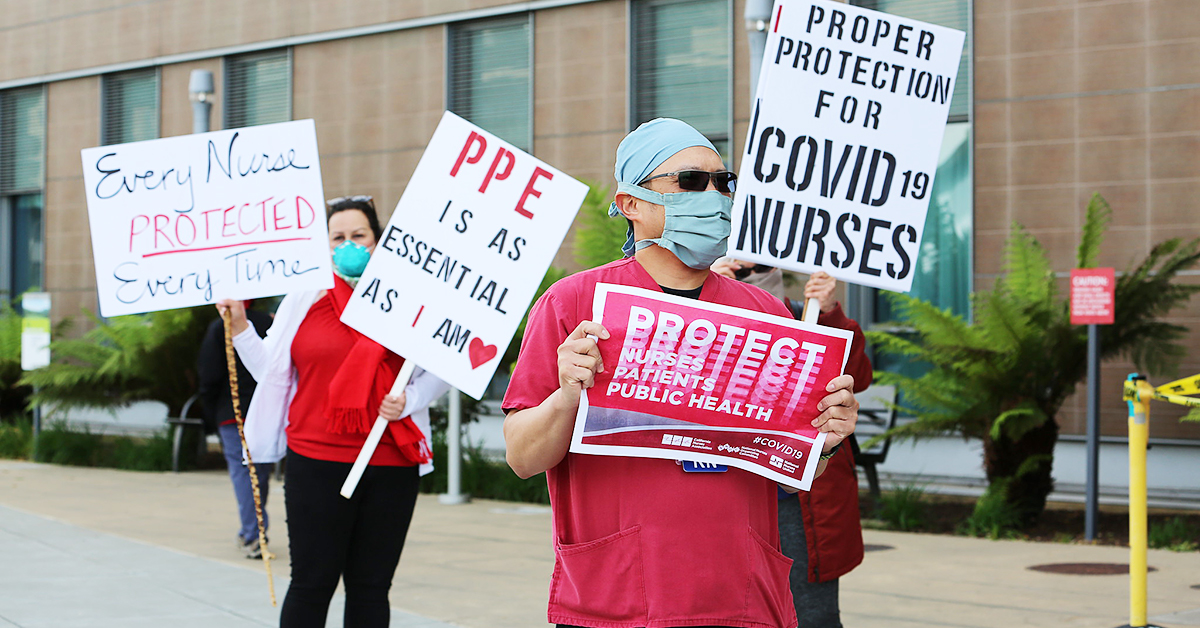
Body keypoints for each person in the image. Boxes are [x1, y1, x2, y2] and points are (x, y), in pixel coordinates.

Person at [502, 118, 860, 628]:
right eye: (691, 181)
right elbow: (521, 457)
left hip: (743, 596)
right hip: (618, 598)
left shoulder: (767, 314)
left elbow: (794, 473)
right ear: (631, 205)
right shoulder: (575, 304)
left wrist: (825, 439)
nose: (713, 197)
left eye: (723, 182)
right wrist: (564, 398)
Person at [217, 196, 450, 628]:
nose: (348, 245)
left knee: (371, 586)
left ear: (379, 241)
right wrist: (241, 330)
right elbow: (271, 370)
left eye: (358, 235)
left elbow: (445, 364)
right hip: (316, 461)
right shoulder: (307, 296)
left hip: (391, 461)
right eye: (337, 237)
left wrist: (410, 402)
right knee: (311, 583)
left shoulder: (412, 299)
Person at [713, 262, 871, 628]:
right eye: (741, 265)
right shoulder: (702, 313)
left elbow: (857, 376)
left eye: (761, 264)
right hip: (730, 490)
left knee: (812, 614)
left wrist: (829, 312)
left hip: (799, 498)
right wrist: (711, 298)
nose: (751, 271)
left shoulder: (807, 316)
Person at [197, 301, 275, 559]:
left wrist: (210, 415)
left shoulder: (219, 327)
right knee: (258, 472)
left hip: (232, 413)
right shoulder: (267, 322)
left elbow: (208, 376)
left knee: (245, 474)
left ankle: (253, 533)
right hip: (262, 411)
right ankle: (254, 528)